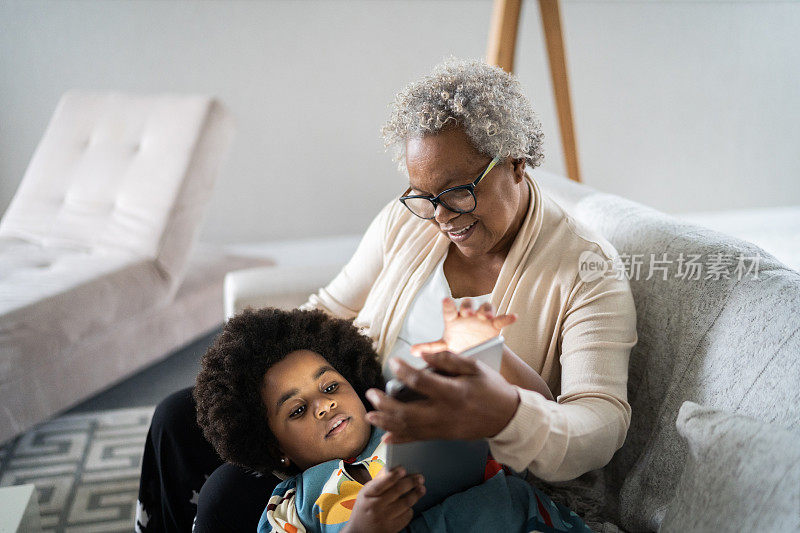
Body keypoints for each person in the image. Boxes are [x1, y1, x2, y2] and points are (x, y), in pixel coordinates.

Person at [136, 57, 637, 532]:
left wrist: (508, 412)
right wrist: (265, 384)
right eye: (424, 197)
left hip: (431, 460)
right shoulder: (408, 219)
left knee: (226, 497)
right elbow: (328, 311)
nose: (440, 218)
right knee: (177, 418)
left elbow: (600, 423)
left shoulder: (585, 269)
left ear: (517, 162)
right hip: (343, 416)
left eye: (458, 191)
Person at [192, 306, 592, 533]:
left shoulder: (412, 413)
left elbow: (540, 407)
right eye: (297, 410)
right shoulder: (290, 509)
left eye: (330, 387)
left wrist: (490, 350)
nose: (324, 406)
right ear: (274, 448)